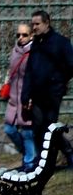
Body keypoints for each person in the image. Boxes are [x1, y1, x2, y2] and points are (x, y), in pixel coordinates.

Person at [21, 9, 73, 166]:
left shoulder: (60, 42)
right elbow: (30, 70)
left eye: (37, 24)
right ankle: (42, 161)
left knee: (50, 127)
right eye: (33, 24)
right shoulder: (36, 43)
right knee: (38, 129)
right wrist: (26, 94)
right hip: (37, 94)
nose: (34, 27)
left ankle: (66, 153)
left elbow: (71, 66)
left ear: (47, 23)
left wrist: (58, 81)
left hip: (52, 94)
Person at [2, 24, 35, 172]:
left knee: (27, 132)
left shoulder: (35, 52)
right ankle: (28, 155)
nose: (21, 38)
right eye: (18, 35)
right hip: (13, 99)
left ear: (31, 35)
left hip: (27, 98)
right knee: (9, 129)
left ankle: (29, 163)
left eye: (24, 35)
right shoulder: (14, 51)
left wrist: (31, 97)